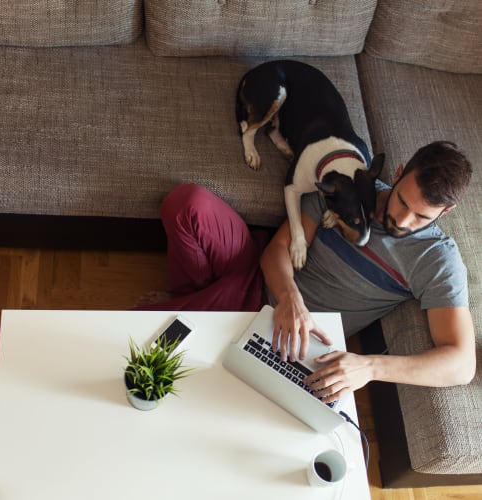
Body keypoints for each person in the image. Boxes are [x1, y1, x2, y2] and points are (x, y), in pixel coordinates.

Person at [136, 141, 476, 403]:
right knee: (187, 202)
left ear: (446, 211)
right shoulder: (349, 188)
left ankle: (192, 303)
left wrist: (369, 367)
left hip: (288, 336)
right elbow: (278, 250)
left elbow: (461, 365)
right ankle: (194, 299)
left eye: (421, 216)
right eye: (401, 201)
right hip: (262, 276)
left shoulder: (437, 260)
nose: (401, 221)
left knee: (148, 347)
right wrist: (289, 297)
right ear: (399, 172)